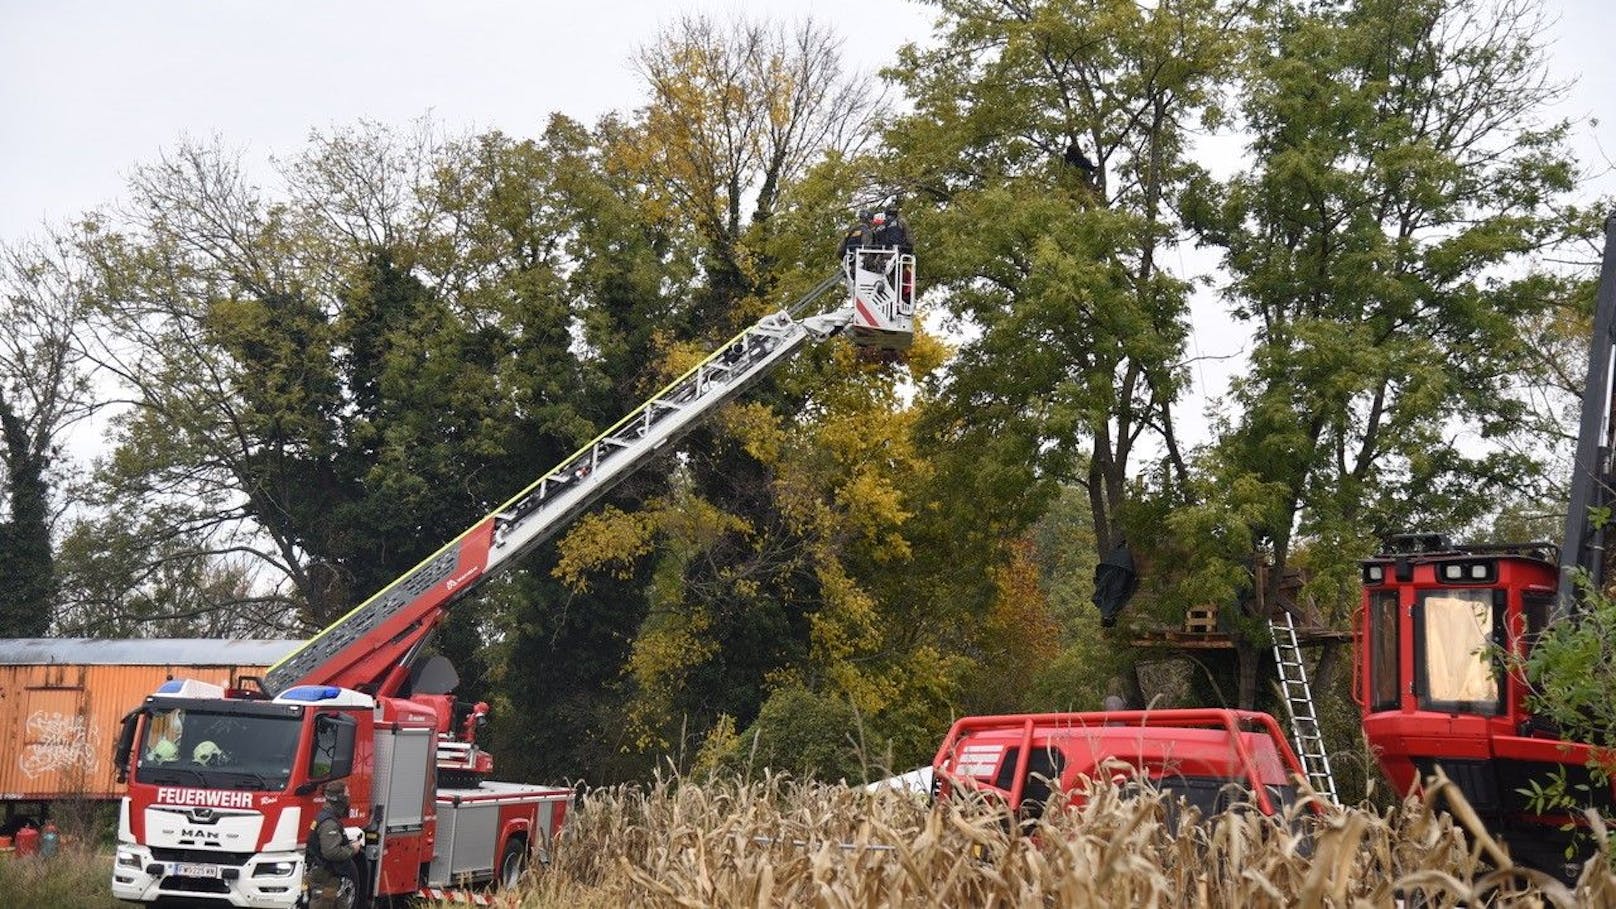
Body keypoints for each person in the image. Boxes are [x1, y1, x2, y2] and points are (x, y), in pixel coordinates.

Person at [304, 780, 359, 909]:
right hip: (325, 876)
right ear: (339, 798)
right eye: (346, 793)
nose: (348, 796)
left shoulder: (327, 818)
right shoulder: (329, 822)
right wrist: (352, 849)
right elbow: (331, 852)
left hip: (329, 878)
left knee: (339, 903)